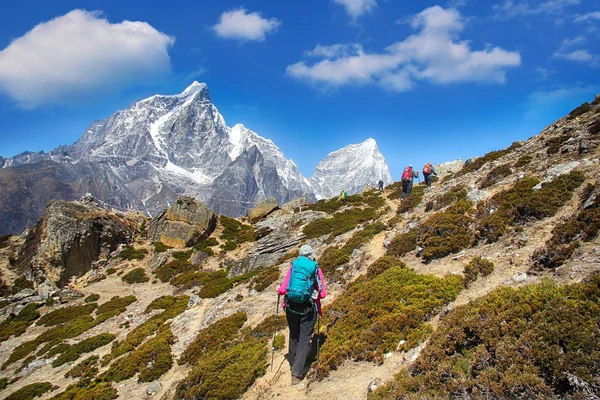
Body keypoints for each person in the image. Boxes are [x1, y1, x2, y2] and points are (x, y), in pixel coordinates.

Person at [277, 244, 327, 385]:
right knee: (305, 338)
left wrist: (278, 289)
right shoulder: (315, 268)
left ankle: (293, 362)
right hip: (308, 309)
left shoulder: (294, 265)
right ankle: (297, 373)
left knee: (294, 334)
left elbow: (283, 288)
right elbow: (322, 294)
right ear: (311, 254)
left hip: (291, 306)